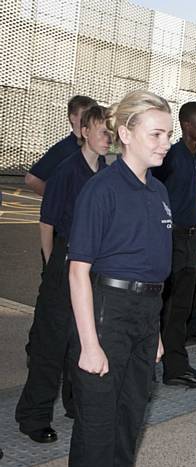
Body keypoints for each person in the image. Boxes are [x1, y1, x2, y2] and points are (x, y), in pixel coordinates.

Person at [66, 90, 173, 467]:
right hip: (107, 312)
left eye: (168, 135)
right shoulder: (103, 189)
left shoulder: (159, 192)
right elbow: (78, 272)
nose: (165, 143)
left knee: (128, 424)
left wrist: (156, 331)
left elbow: (154, 272)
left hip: (146, 314)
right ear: (126, 134)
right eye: (156, 134)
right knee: (98, 430)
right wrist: (89, 345)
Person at [15, 104, 110, 444]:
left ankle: (75, 404)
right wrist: (52, 265)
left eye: (110, 133)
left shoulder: (104, 171)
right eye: (102, 132)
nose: (108, 139)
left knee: (80, 339)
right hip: (64, 261)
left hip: (90, 263)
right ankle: (33, 416)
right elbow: (47, 222)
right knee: (50, 345)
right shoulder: (68, 170)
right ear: (85, 131)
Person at [153, 101, 196, 388]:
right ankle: (171, 364)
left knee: (182, 305)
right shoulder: (169, 157)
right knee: (168, 305)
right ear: (187, 125)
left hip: (194, 237)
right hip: (170, 238)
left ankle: (174, 363)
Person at [24, 95, 97, 196]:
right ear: (73, 118)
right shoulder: (63, 149)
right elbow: (31, 179)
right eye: (85, 115)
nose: (88, 120)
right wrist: (54, 200)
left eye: (92, 116)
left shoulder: (95, 148)